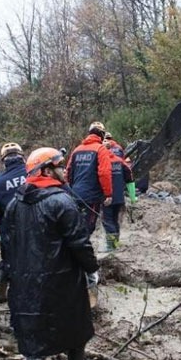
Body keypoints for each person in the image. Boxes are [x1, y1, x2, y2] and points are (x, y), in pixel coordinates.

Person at [1, 147, 99, 360]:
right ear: (45, 170)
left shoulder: (14, 204)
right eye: (58, 164)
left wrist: (11, 276)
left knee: (33, 336)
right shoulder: (62, 202)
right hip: (64, 281)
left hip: (27, 285)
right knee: (75, 328)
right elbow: (80, 243)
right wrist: (92, 270)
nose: (64, 169)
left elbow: (7, 246)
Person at [66, 121, 113, 303]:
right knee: (86, 231)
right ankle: (86, 273)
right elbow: (104, 172)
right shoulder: (100, 149)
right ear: (101, 135)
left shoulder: (77, 150)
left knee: (75, 228)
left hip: (74, 195)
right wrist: (108, 193)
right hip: (91, 197)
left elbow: (68, 172)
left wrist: (71, 189)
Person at [0, 142, 27, 304]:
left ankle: (0, 294)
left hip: (8, 229)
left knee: (7, 261)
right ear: (22, 158)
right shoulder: (33, 173)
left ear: (4, 160)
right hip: (34, 226)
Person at [102, 132, 137, 251]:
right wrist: (133, 197)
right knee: (115, 220)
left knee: (107, 221)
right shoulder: (121, 162)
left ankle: (111, 246)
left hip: (107, 197)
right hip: (119, 197)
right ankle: (116, 244)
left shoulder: (101, 163)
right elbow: (130, 179)